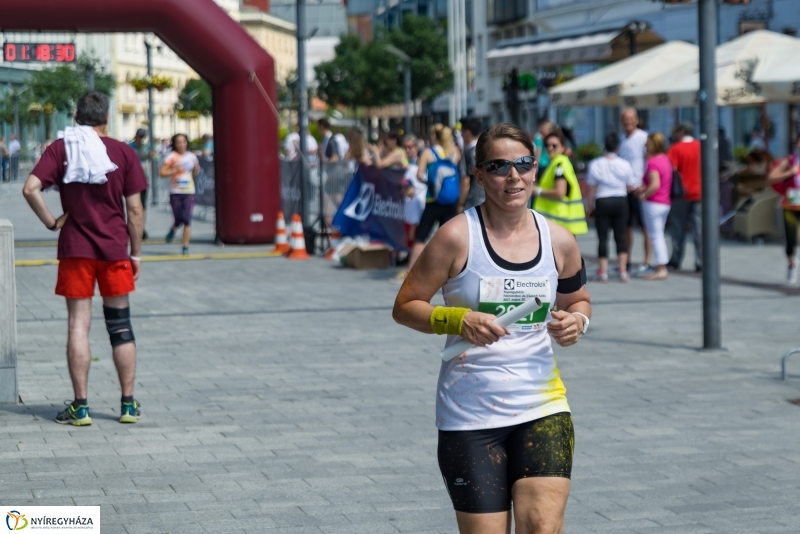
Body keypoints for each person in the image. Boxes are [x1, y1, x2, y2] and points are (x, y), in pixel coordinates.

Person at [393, 122, 591, 534]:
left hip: (543, 407)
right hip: (470, 415)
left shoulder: (560, 240)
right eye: (499, 166)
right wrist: (456, 319)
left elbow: (577, 301)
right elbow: (405, 306)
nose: (513, 176)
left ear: (536, 170)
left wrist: (578, 322)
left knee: (543, 528)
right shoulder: (455, 237)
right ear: (480, 175)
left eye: (523, 164)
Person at [21, 91, 146, 426]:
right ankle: (128, 404)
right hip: (114, 249)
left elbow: (30, 188)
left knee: (78, 325)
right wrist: (135, 252)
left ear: (77, 118)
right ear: (106, 118)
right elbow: (134, 210)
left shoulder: (61, 149)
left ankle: (81, 406)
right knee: (121, 327)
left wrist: (52, 222)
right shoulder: (124, 152)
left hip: (76, 249)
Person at [394, 124, 461, 283]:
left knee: (421, 238)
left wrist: (427, 182)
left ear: (434, 135)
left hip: (433, 201)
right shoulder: (455, 151)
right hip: (451, 202)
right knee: (447, 239)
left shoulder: (428, 152)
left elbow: (419, 175)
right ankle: (448, 275)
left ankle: (409, 273)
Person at [585, 132, 636, 282]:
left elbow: (591, 187)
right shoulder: (624, 164)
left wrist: (589, 205)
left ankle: (603, 271)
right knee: (620, 236)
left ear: (604, 147)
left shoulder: (596, 163)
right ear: (618, 148)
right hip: (620, 199)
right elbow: (631, 185)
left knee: (602, 237)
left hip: (602, 199)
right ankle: (622, 270)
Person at [532, 131, 588, 236]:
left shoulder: (559, 164)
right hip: (560, 219)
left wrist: (537, 191)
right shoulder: (559, 162)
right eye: (547, 145)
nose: (550, 148)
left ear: (563, 147)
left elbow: (559, 192)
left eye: (554, 145)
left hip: (559, 220)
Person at [618, 107, 652, 274]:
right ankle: (627, 261)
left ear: (637, 120)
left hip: (639, 189)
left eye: (631, 118)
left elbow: (650, 162)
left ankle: (647, 261)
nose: (628, 121)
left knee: (646, 227)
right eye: (625, 118)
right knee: (626, 227)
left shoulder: (644, 138)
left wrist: (645, 184)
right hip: (624, 189)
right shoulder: (621, 140)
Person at [667, 121, 702, 272]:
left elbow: (671, 169)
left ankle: (676, 259)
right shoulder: (700, 146)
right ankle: (701, 261)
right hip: (699, 192)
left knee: (678, 229)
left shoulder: (676, 148)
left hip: (682, 193)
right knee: (699, 229)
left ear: (681, 131)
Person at [637, 133, 673, 281]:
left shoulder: (653, 163)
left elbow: (655, 184)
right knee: (659, 235)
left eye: (647, 144)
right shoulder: (665, 159)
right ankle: (662, 267)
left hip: (654, 202)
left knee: (655, 236)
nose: (645, 147)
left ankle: (661, 268)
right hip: (665, 202)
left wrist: (644, 195)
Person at [767, 135, 800, 286]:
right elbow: (772, 177)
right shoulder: (790, 160)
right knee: (790, 241)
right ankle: (792, 265)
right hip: (790, 206)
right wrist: (790, 172)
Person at [160, 133, 200, 255]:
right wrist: (174, 170)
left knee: (187, 219)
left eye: (183, 141)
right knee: (178, 219)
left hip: (189, 191)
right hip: (175, 192)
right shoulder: (171, 156)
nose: (181, 144)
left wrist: (194, 172)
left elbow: (195, 171)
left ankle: (185, 247)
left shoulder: (192, 156)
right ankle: (173, 230)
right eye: (179, 142)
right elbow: (162, 173)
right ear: (175, 144)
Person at [402, 134, 427, 249]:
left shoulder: (422, 161)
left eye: (410, 147)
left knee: (415, 235)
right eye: (405, 147)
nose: (407, 150)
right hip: (408, 205)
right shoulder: (405, 162)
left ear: (416, 147)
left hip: (418, 202)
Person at [129, 128, 151, 240]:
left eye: (143, 137)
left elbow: (150, 159)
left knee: (142, 206)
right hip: (132, 179)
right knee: (133, 205)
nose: (141, 139)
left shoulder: (146, 147)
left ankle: (141, 228)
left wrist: (151, 155)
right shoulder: (130, 147)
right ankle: (133, 228)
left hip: (143, 178)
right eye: (140, 136)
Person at [459, 117, 484, 211]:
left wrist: (460, 204)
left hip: (473, 202)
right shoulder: (487, 150)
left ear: (467, 132)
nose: (461, 135)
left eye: (461, 132)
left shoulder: (468, 154)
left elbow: (465, 182)